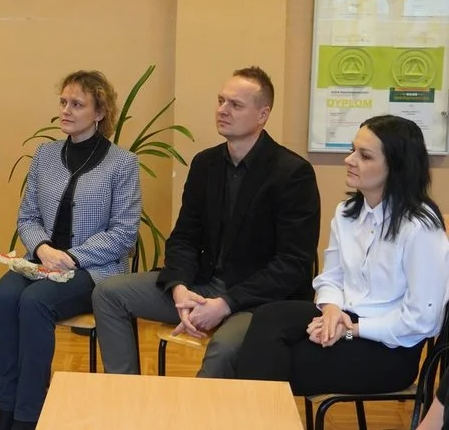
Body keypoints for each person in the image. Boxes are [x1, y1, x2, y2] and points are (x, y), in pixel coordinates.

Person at [92, 66, 321, 378]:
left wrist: (225, 304)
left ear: (263, 114)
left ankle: (201, 408)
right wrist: (179, 288)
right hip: (202, 284)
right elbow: (184, 237)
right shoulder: (205, 164)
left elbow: (292, 264)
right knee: (108, 293)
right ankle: (126, 395)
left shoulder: (292, 173)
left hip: (258, 300)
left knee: (224, 349)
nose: (223, 110)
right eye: (221, 101)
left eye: (235, 105)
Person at [235, 115, 449, 396]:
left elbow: (422, 320)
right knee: (270, 316)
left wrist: (352, 330)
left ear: (397, 167)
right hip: (346, 320)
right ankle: (255, 412)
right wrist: (331, 311)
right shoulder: (347, 213)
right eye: (352, 150)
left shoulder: (421, 228)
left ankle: (250, 412)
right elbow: (331, 278)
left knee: (270, 360)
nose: (349, 160)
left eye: (364, 156)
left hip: (390, 349)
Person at [0, 70, 142, 430]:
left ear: (99, 112)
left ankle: (27, 415)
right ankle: (6, 406)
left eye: (77, 104)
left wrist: (72, 257)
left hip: (92, 270)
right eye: (63, 102)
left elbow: (123, 234)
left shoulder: (123, 163)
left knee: (34, 303)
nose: (66, 110)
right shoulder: (45, 155)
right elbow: (27, 217)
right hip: (42, 261)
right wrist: (42, 247)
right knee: (4, 297)